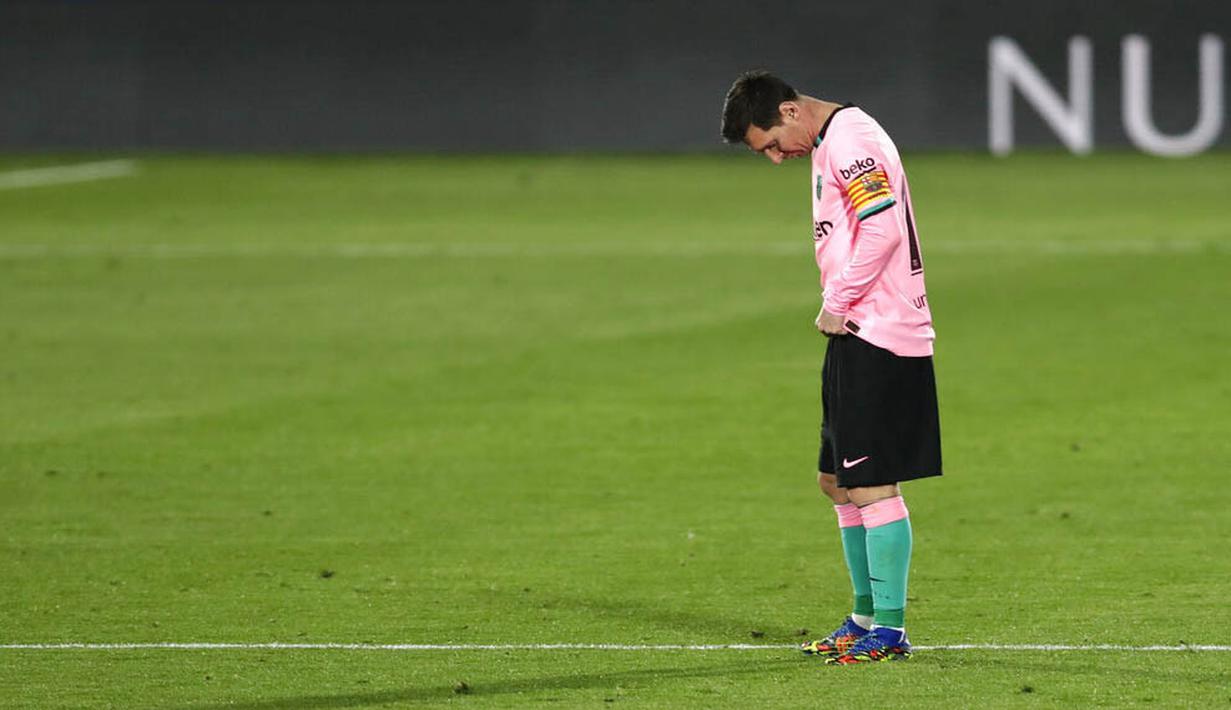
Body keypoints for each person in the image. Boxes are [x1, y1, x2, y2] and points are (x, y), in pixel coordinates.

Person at [720, 71, 942, 665]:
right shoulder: (830, 143)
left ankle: (890, 631)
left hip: (880, 330)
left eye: (770, 142)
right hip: (857, 331)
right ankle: (863, 616)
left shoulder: (852, 140)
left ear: (790, 111)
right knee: (837, 482)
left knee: (871, 483)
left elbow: (884, 228)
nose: (774, 158)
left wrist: (837, 301)